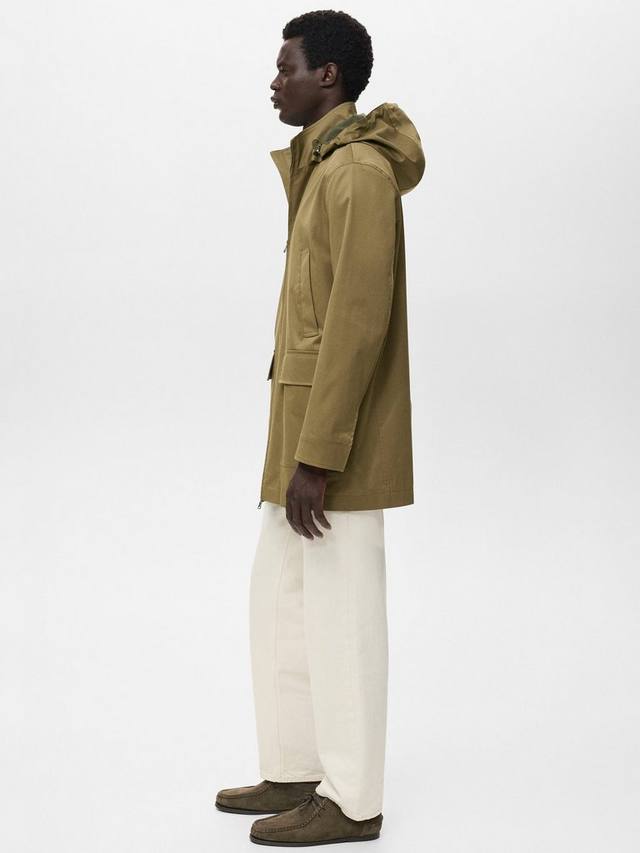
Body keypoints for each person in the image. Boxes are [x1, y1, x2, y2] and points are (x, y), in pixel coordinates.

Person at [216, 10, 425, 846]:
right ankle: (298, 766)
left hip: (336, 448)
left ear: (327, 76)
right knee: (283, 604)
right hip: (299, 436)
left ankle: (354, 800)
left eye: (287, 67)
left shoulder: (358, 173)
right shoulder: (322, 165)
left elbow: (356, 324)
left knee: (343, 618)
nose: (275, 82)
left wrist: (320, 456)